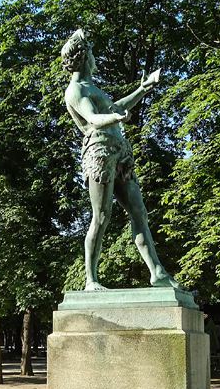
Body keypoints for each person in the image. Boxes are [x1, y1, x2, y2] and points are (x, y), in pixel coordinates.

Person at [61, 28, 180, 292]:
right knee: (101, 217)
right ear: (83, 57)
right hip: (100, 154)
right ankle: (91, 280)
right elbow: (94, 119)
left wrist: (142, 89)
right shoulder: (76, 91)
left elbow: (115, 108)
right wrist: (115, 119)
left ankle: (157, 272)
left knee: (139, 212)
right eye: (91, 52)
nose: (94, 57)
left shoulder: (93, 87)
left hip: (120, 151)